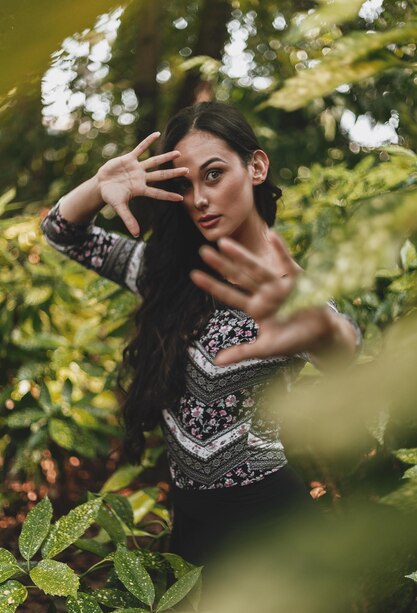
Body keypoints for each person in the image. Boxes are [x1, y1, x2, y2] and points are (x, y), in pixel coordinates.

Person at [41, 102, 360, 565]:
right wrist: (96, 185)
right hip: (191, 526)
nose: (199, 200)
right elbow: (60, 233)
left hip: (272, 528)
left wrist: (323, 329)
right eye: (185, 185)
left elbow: (344, 349)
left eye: (213, 175)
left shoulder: (287, 291)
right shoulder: (167, 274)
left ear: (255, 166)